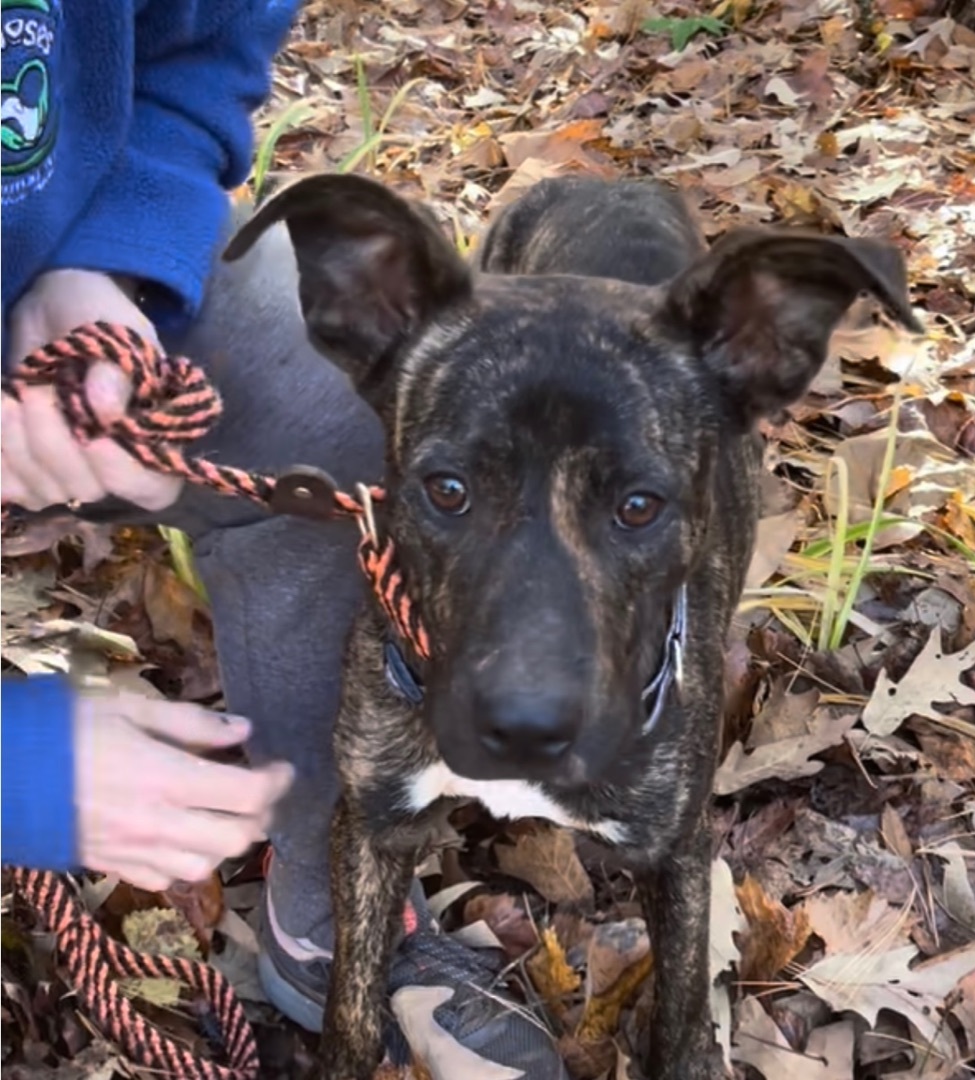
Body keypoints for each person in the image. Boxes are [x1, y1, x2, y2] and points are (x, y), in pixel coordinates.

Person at [0, 3, 566, 1075]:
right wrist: (19, 772)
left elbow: (195, 47)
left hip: (47, 258)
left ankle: (331, 921)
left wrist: (105, 263)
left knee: (343, 420)